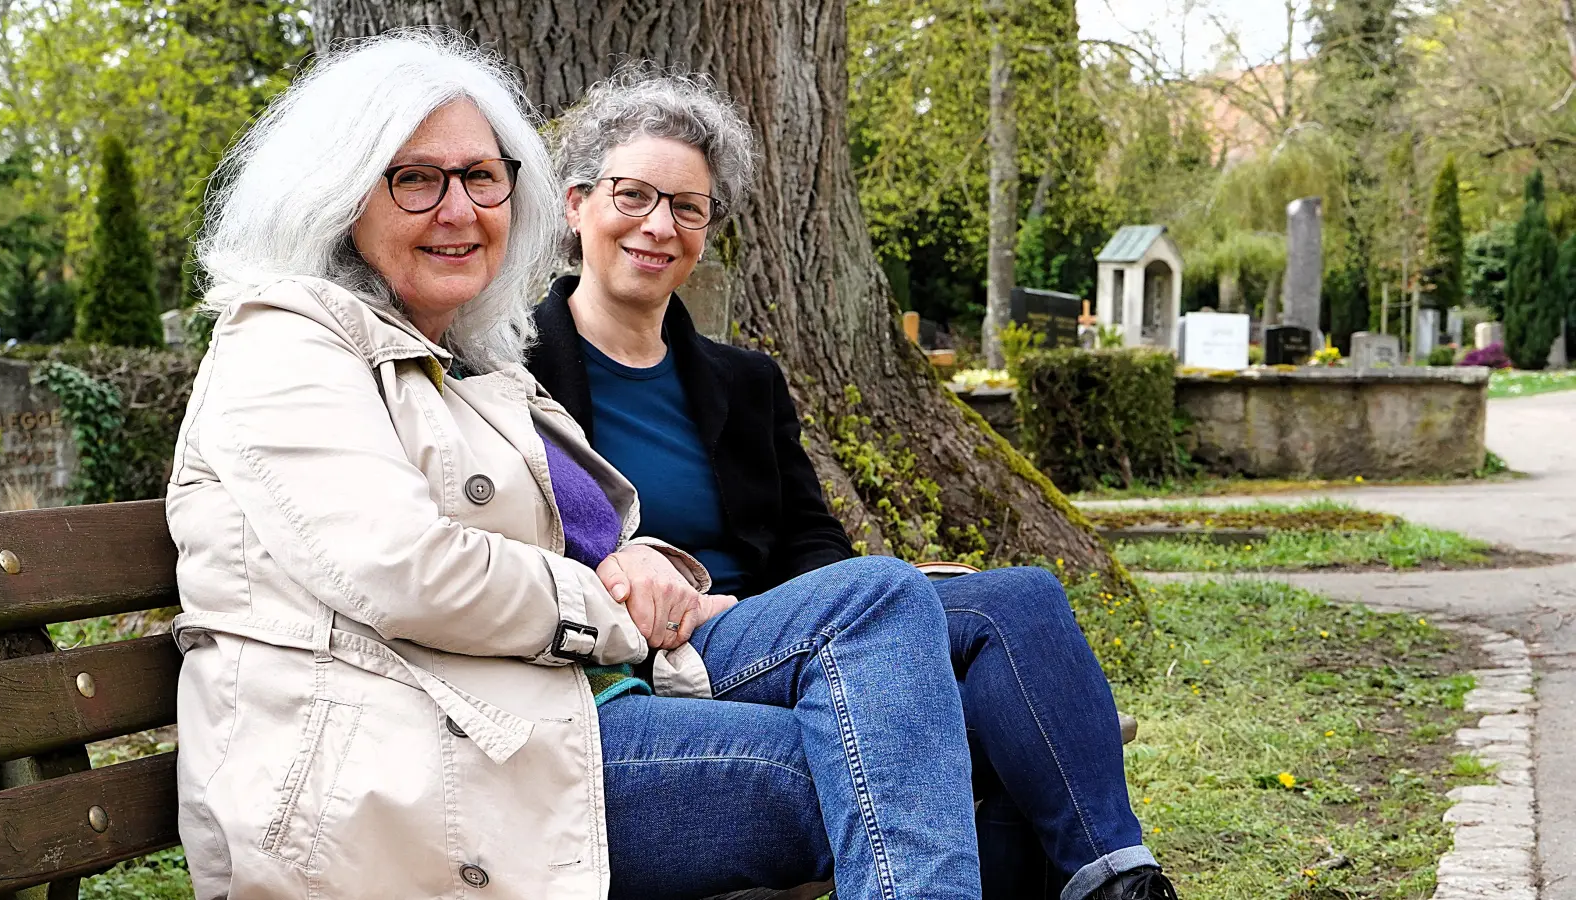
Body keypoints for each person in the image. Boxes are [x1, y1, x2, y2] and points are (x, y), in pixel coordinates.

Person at [168, 32, 989, 900]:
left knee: (883, 599)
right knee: (884, 764)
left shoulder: (473, 359)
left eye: (482, 177)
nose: (459, 209)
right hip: (406, 763)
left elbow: (589, 529)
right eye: (415, 178)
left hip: (537, 709)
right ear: (337, 194)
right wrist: (611, 608)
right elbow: (403, 569)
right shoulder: (285, 341)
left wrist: (635, 560)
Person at [525, 69, 1178, 900]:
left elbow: (812, 542)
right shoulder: (513, 368)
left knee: (1019, 601)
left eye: (688, 207)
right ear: (577, 203)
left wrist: (785, 614)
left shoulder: (744, 379)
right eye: (633, 196)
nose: (660, 225)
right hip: (639, 644)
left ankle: (1119, 878)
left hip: (763, 631)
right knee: (889, 605)